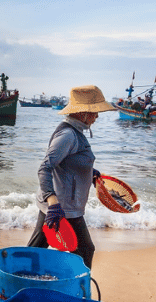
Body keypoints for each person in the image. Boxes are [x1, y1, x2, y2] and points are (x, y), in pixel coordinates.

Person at [26, 85, 116, 270]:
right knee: (84, 250)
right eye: (95, 111)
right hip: (62, 207)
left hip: (64, 206)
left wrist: (90, 173)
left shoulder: (76, 133)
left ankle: (24, 280)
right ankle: (79, 292)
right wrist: (53, 204)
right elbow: (45, 167)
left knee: (37, 250)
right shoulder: (68, 135)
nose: (97, 116)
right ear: (82, 113)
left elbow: (68, 165)